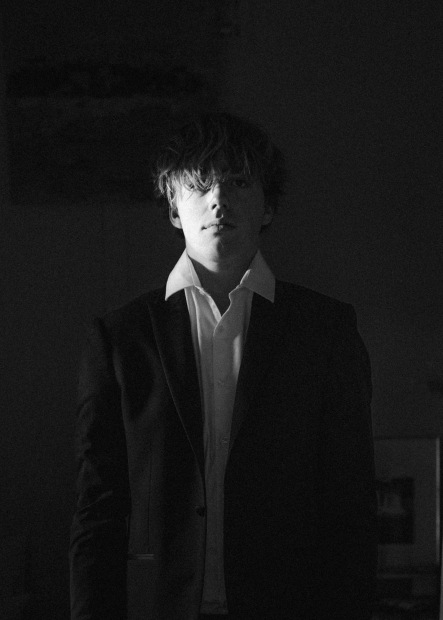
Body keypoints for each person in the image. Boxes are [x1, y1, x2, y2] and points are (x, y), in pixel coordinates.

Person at [69, 112, 377, 619]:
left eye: (237, 182)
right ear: (173, 207)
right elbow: (97, 506)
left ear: (268, 205)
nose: (218, 199)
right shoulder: (120, 338)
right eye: (198, 184)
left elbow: (350, 504)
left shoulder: (325, 332)